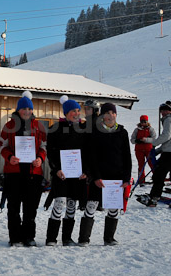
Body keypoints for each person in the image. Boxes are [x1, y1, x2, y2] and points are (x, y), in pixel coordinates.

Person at [0, 91, 47, 247]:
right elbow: (1, 146)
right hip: (14, 173)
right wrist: (9, 157)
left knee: (30, 208)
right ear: (18, 110)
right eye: (24, 109)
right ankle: (15, 237)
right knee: (13, 207)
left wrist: (40, 158)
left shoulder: (38, 126)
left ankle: (29, 237)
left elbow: (44, 146)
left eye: (29, 109)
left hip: (33, 173)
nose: (27, 111)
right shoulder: (9, 126)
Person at [80, 103, 131, 246]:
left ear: (116, 115)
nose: (110, 115)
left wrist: (126, 178)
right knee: (91, 207)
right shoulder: (95, 132)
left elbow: (127, 156)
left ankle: (109, 238)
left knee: (113, 209)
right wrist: (95, 177)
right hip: (99, 178)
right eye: (107, 113)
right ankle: (84, 239)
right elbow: (91, 157)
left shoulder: (122, 132)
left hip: (116, 178)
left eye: (113, 113)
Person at [45, 96, 88, 246]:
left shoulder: (84, 129)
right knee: (59, 203)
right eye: (72, 111)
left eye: (78, 110)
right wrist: (56, 169)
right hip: (61, 174)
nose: (76, 113)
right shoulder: (55, 129)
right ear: (66, 113)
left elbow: (88, 153)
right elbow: (50, 152)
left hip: (77, 175)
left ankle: (67, 238)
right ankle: (51, 238)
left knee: (71, 205)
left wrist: (86, 171)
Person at [142, 101, 171, 207]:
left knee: (159, 175)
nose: (163, 112)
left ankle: (154, 198)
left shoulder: (168, 119)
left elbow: (166, 136)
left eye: (165, 110)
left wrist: (153, 144)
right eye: (162, 111)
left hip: (168, 155)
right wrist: (158, 150)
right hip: (167, 152)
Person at [130, 115, 157, 186]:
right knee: (141, 165)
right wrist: (138, 140)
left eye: (145, 122)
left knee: (152, 164)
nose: (143, 123)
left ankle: (157, 178)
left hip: (148, 149)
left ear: (147, 122)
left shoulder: (150, 129)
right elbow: (132, 140)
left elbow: (154, 138)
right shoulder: (137, 130)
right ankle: (141, 180)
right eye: (142, 122)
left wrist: (146, 140)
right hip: (139, 150)